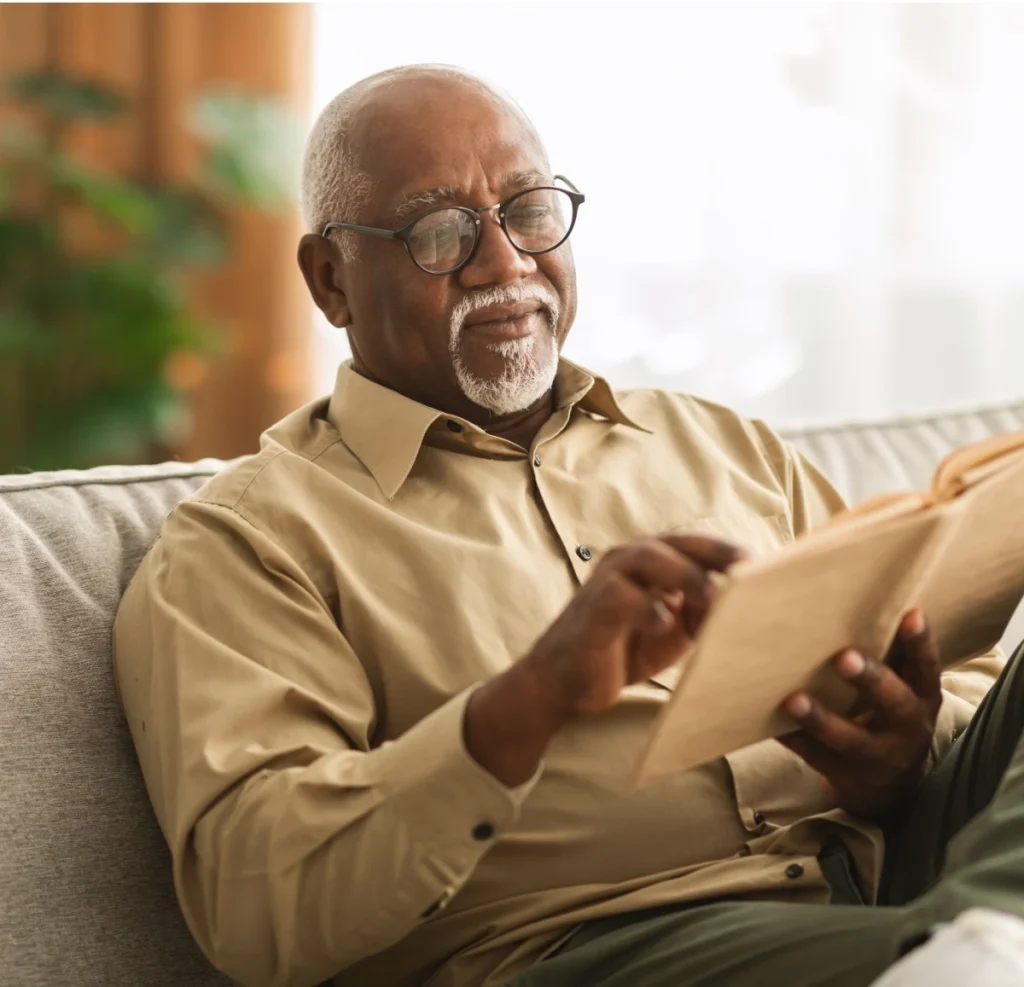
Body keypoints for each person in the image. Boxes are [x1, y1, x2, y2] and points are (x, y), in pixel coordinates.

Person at [112, 65, 1024, 987]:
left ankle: (975, 948)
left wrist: (903, 757)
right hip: (599, 944)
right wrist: (528, 699)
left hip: (900, 871)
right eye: (440, 232)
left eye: (529, 210)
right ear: (330, 280)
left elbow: (964, 691)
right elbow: (259, 906)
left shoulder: (715, 441)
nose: (505, 263)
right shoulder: (249, 543)